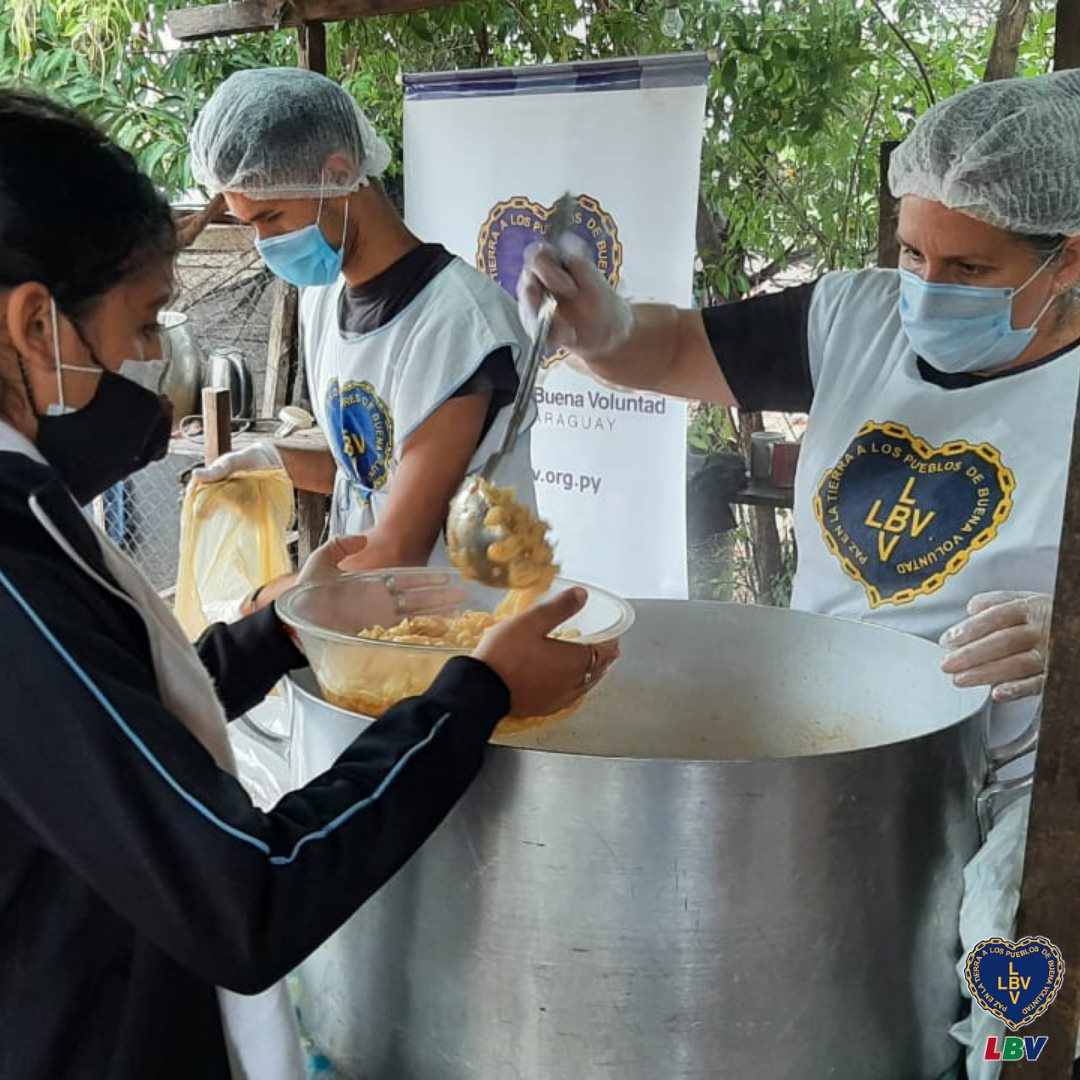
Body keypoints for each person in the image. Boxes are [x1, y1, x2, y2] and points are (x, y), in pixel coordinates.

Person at [0, 89, 616, 1079]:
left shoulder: (458, 318)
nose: (151, 359)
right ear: (36, 325)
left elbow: (102, 724)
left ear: (339, 178)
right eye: (143, 322)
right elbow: (248, 890)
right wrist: (476, 691)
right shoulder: (14, 568)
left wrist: (283, 626)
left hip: (433, 639)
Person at [520, 69, 1080, 752]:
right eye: (911, 253)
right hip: (826, 732)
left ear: (1068, 261)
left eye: (968, 270)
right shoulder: (853, 317)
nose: (928, 290)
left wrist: (1066, 629)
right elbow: (670, 352)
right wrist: (606, 332)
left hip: (1005, 771)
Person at [187, 68, 538, 614]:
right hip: (371, 629)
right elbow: (369, 474)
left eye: (272, 216)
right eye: (249, 224)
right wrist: (273, 461)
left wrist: (257, 606)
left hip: (463, 634)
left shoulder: (458, 327)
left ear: (341, 173)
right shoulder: (324, 299)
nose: (266, 243)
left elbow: (395, 550)